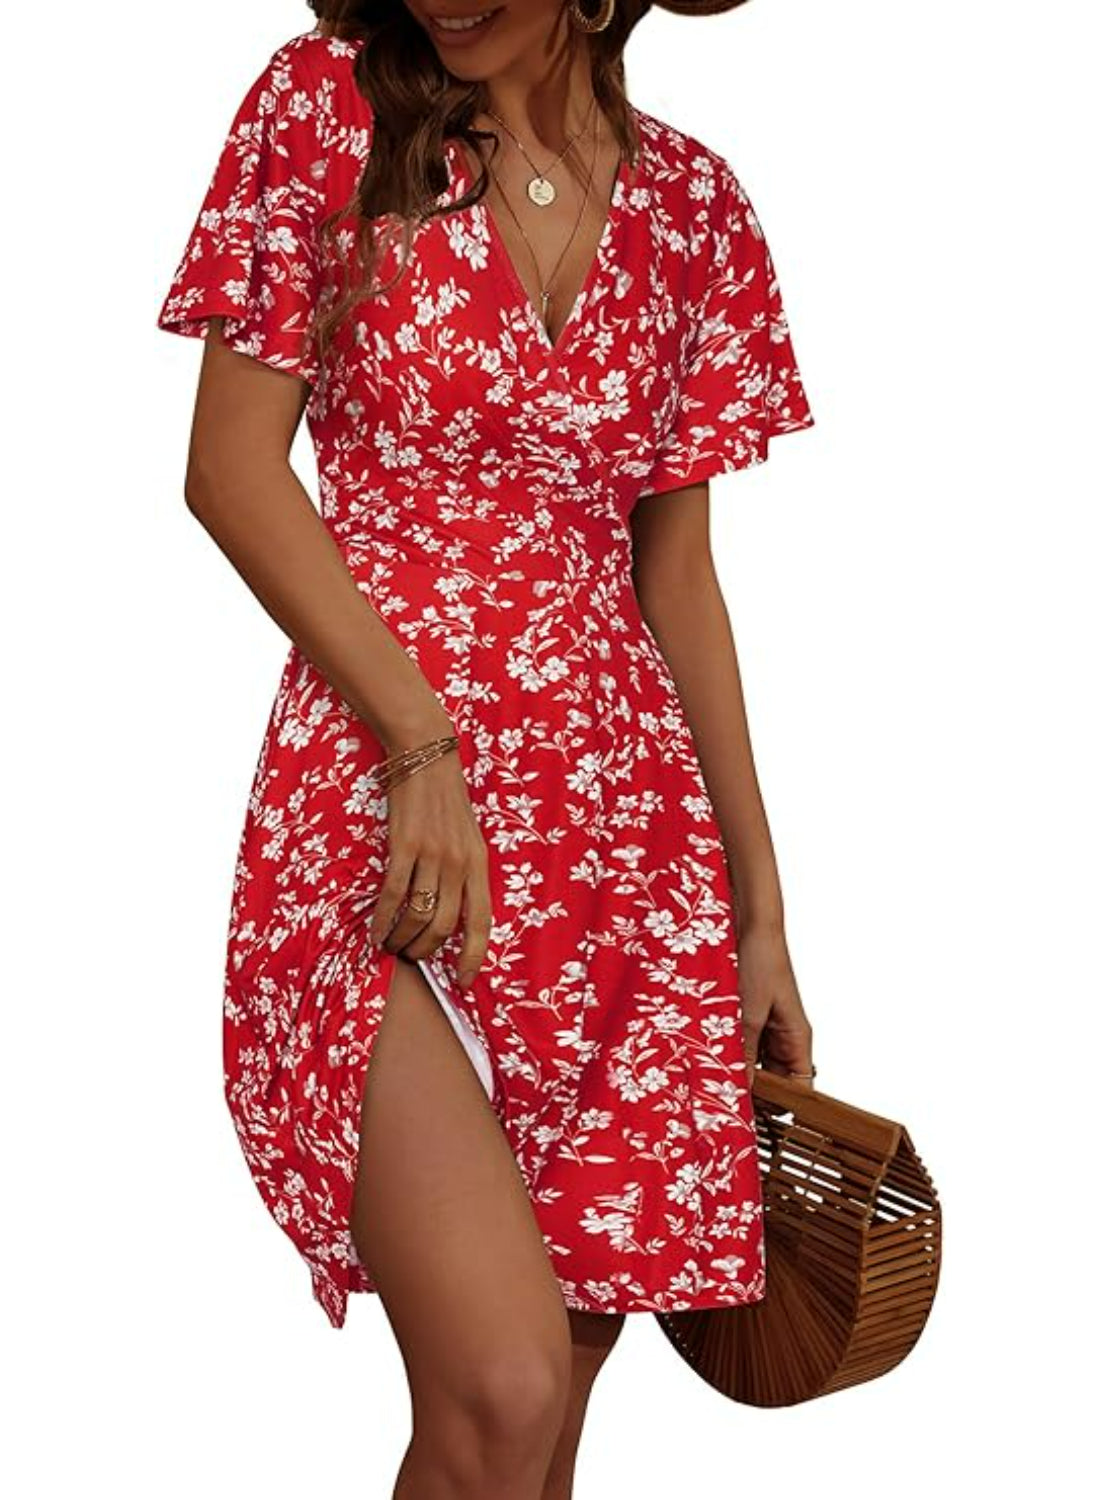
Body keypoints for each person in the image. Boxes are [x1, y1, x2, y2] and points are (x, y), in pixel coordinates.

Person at [155, 0, 816, 1492]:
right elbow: (230, 470)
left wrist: (759, 912)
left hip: (623, 850)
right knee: (503, 1387)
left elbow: (678, 581)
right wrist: (419, 745)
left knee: (536, 1435)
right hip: (386, 810)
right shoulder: (328, 109)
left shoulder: (696, 208)